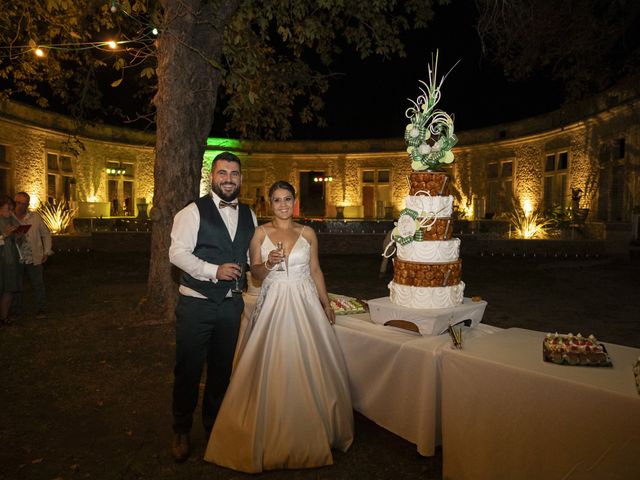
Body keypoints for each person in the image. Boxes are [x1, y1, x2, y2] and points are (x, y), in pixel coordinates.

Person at [205, 180, 353, 473]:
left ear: (294, 202)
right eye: (276, 200)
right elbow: (256, 273)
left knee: (310, 359)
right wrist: (269, 263)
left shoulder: (307, 232)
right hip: (274, 303)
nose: (283, 205)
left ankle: (316, 427)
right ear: (269, 204)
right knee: (273, 362)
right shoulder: (259, 233)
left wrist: (325, 304)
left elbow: (315, 270)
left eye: (287, 199)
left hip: (305, 302)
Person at [168, 151, 257, 463]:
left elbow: (249, 258)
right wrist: (212, 270)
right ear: (212, 177)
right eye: (223, 173)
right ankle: (180, 428)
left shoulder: (250, 215)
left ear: (241, 179)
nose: (228, 179)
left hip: (231, 306)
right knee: (188, 369)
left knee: (222, 371)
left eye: (234, 173)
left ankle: (214, 426)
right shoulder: (192, 212)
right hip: (197, 305)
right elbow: (177, 254)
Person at [13, 192, 53, 319]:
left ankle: (41, 309)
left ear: (27, 205)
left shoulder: (34, 217)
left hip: (34, 257)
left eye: (23, 204)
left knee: (38, 284)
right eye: (18, 203)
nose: (20, 206)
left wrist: (46, 251)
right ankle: (16, 311)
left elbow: (45, 234)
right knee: (16, 285)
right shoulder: (8, 218)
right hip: (16, 258)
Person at [0, 195, 22, 324]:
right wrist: (5, 235)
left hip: (11, 259)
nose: (10, 212)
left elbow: (16, 241)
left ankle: (4, 317)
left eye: (11, 209)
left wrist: (18, 236)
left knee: (9, 288)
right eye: (8, 209)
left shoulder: (12, 221)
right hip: (2, 259)